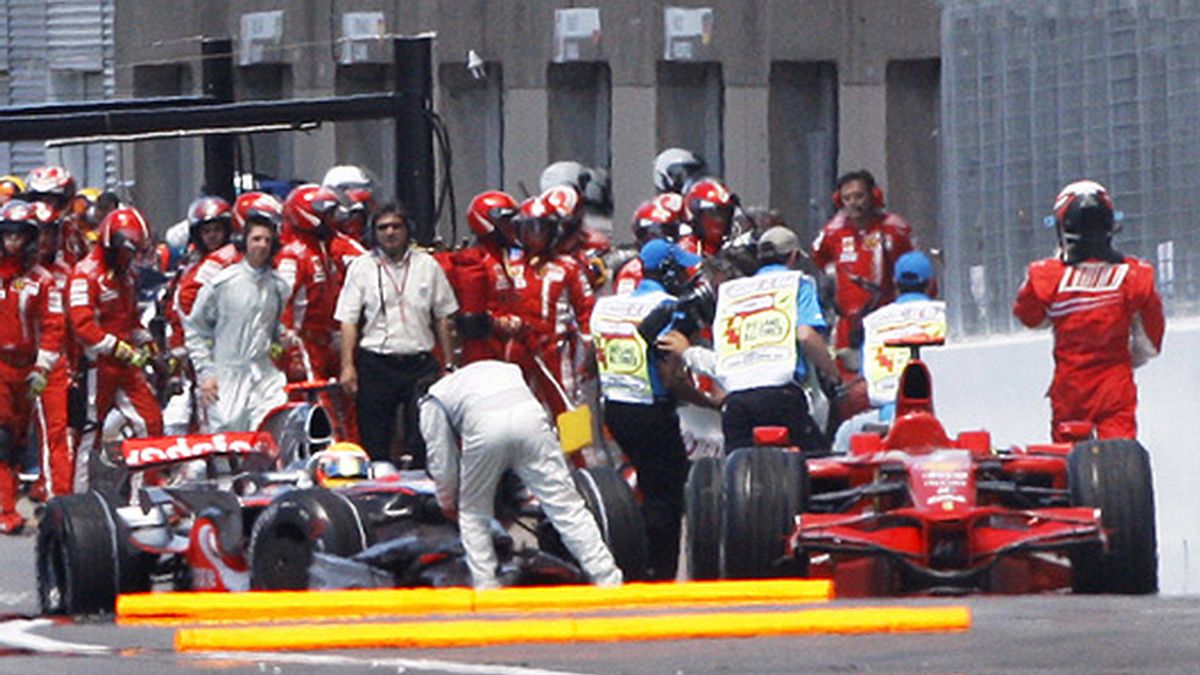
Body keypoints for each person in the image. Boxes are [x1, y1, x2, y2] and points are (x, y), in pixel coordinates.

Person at [418, 359, 622, 590]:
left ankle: (487, 590)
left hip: (486, 428)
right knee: (567, 507)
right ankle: (608, 579)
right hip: (530, 418)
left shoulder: (432, 399)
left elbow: (441, 460)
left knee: (474, 514)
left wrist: (447, 500)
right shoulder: (493, 368)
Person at [592, 239, 722, 580]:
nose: (685, 274)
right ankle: (658, 574)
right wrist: (709, 403)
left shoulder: (606, 307)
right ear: (667, 271)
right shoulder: (666, 307)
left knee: (640, 486)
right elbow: (670, 375)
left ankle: (634, 559)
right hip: (651, 410)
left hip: (614, 409)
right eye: (680, 268)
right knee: (665, 497)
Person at [1013, 180, 1164, 442]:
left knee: (1069, 462)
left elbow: (1029, 318)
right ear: (1109, 224)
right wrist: (1130, 358)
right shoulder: (1135, 274)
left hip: (1071, 387)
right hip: (1115, 383)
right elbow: (1151, 341)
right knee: (1120, 454)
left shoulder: (1046, 276)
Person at [335, 202, 459, 466]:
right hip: (376, 362)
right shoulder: (361, 267)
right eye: (383, 228)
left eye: (396, 226)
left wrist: (449, 364)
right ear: (373, 233)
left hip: (419, 363)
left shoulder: (428, 265)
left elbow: (443, 317)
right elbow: (348, 320)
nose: (390, 233)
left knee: (425, 435)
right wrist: (347, 367)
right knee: (375, 439)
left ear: (407, 230)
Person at [713, 226, 841, 453]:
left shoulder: (732, 291)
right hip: (781, 395)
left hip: (735, 399)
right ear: (792, 257)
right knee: (819, 463)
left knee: (737, 474)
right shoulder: (797, 283)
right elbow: (805, 335)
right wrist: (834, 373)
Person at [68, 207, 163, 484]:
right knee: (91, 434)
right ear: (112, 244)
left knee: (151, 422)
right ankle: (78, 503)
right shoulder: (84, 274)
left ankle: (145, 497)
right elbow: (82, 326)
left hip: (128, 366)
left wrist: (150, 347)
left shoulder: (128, 276)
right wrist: (119, 348)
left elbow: (133, 321)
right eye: (129, 251)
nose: (132, 258)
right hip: (96, 366)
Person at [185, 216, 291, 432]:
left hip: (265, 375)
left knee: (271, 429)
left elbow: (273, 330)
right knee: (228, 437)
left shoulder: (279, 287)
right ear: (244, 242)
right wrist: (206, 373)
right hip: (227, 375)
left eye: (268, 241)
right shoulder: (222, 283)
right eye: (256, 239)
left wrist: (282, 341)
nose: (262, 245)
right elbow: (195, 329)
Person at [832, 251, 943, 453]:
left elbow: (866, 377)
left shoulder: (873, 322)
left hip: (885, 419)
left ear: (895, 284)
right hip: (942, 415)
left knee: (844, 434)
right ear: (931, 283)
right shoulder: (947, 315)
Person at [0, 201, 65, 529]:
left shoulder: (43, 280)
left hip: (34, 368)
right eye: (7, 235)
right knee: (3, 438)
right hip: (0, 367)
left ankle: (59, 505)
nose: (12, 242)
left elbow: (54, 326)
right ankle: (5, 509)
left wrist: (43, 367)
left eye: (19, 236)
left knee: (38, 438)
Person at [811, 170, 916, 367]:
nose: (852, 203)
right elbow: (819, 257)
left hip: (885, 318)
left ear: (874, 196)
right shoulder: (832, 233)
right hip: (847, 326)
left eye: (859, 196)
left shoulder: (894, 229)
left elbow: (914, 268)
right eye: (846, 198)